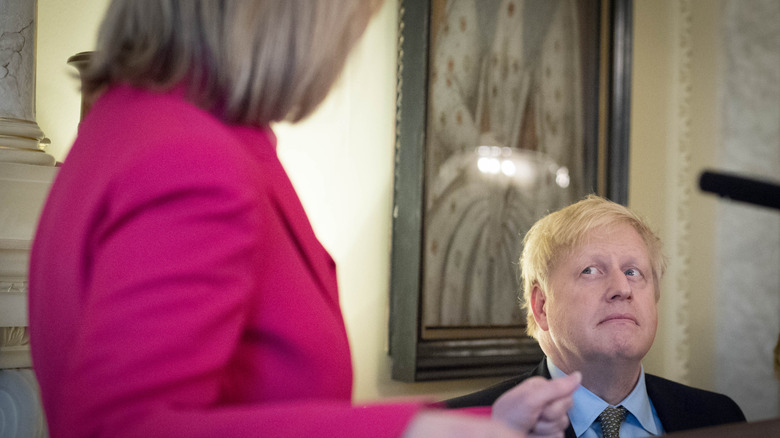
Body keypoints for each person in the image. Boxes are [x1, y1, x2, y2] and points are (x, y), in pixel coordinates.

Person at [28, 1, 580, 437]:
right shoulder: (190, 156)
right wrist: (414, 430)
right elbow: (118, 429)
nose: (344, 50)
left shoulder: (130, 128)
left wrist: (479, 425)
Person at [445, 195, 747, 437]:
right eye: (590, 271)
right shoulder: (463, 427)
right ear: (541, 306)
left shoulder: (719, 418)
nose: (621, 288)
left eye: (633, 272)